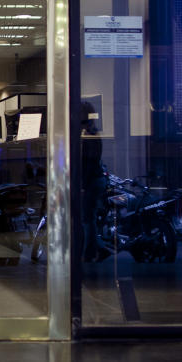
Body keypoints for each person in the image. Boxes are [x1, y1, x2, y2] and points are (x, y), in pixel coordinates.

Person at [80, 101, 109, 262]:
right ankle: (97, 248)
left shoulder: (88, 133)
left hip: (90, 181)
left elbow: (89, 162)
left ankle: (91, 252)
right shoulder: (91, 131)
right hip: (94, 179)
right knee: (87, 217)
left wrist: (83, 185)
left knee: (87, 218)